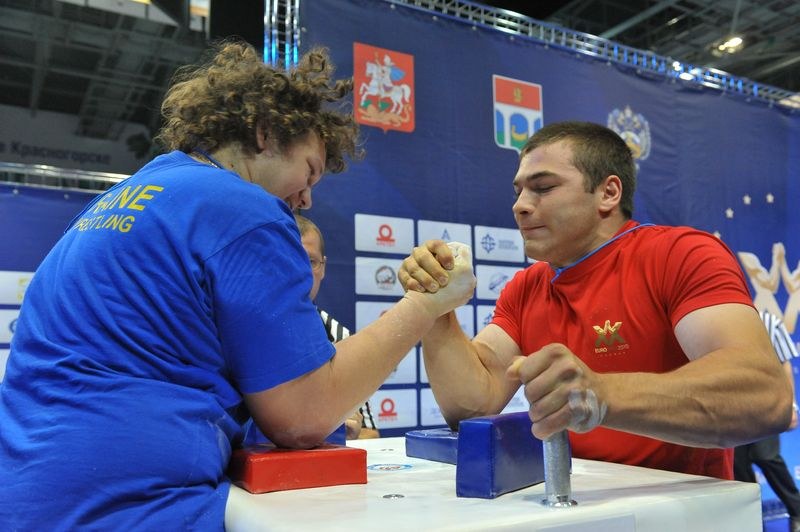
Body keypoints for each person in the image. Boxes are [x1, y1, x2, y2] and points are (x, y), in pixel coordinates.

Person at [0, 41, 475, 529]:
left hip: (26, 494)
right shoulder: (245, 209)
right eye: (309, 170)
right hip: (127, 508)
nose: (307, 198)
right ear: (265, 134)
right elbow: (303, 416)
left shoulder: (124, 196)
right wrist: (425, 305)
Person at [398, 120, 791, 480]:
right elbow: (472, 405)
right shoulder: (527, 286)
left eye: (543, 187)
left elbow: (762, 396)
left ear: (608, 192)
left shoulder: (680, 254)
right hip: (578, 510)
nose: (519, 205)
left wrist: (602, 395)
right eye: (518, 191)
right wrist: (436, 308)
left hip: (684, 515)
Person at [295, 213, 380, 439]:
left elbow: (371, 434)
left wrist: (349, 431)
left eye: (311, 262)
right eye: (292, 258)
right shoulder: (240, 329)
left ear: (323, 267)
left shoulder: (340, 337)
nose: (301, 271)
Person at [734, 310, 800, 532]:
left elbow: (785, 365)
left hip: (764, 404)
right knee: (739, 469)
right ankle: (752, 522)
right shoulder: (714, 323)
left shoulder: (768, 321)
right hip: (731, 407)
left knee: (767, 456)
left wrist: (790, 406)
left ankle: (797, 510)